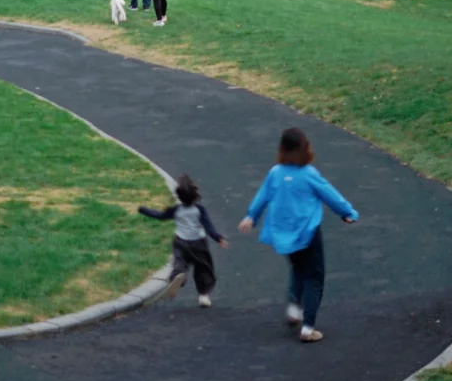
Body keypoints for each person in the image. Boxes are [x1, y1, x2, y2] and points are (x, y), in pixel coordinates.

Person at [238, 126, 358, 343]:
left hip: (284, 235)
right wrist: (347, 213)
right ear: (305, 149)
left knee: (298, 268)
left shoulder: (275, 173)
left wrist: (251, 217)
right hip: (307, 233)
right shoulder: (309, 174)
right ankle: (308, 327)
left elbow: (262, 196)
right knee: (314, 276)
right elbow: (330, 194)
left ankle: (294, 307)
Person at [139, 173, 228, 307]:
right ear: (195, 196)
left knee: (180, 262)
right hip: (199, 244)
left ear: (179, 196)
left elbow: (160, 216)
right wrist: (218, 238)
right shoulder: (200, 210)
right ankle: (203, 296)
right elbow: (208, 226)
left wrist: (143, 210)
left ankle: (178, 276)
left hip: (180, 242)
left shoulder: (176, 210)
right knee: (203, 269)